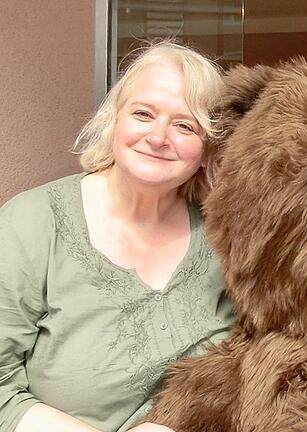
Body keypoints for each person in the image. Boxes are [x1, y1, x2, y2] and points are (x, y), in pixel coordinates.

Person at [0, 41, 236, 432]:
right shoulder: (32, 223)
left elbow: (256, 360)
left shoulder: (226, 238)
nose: (159, 137)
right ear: (114, 122)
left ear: (208, 148)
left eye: (184, 125)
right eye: (143, 114)